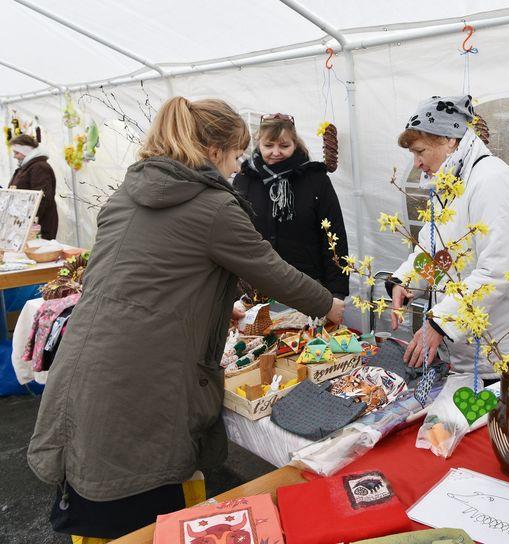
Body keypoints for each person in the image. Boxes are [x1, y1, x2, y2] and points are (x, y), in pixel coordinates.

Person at [27, 97, 345, 541]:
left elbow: (143, 279)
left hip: (87, 366)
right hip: (141, 383)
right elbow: (272, 270)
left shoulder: (127, 195)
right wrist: (331, 304)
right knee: (144, 519)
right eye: (236, 157)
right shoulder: (213, 205)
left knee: (98, 504)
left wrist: (220, 305)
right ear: (214, 152)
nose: (238, 169)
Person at [387, 95, 509, 380]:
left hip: (505, 348)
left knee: (502, 422)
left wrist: (439, 323)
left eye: (420, 151)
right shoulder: (450, 185)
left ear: (450, 139)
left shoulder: (492, 182)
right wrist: (405, 281)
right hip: (469, 346)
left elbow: (495, 272)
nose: (417, 163)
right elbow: (434, 251)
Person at [233, 114, 349, 300]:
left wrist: (337, 291)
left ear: (295, 144)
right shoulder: (245, 179)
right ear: (258, 144)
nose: (276, 152)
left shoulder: (315, 179)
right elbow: (235, 233)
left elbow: (334, 235)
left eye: (284, 146)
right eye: (268, 146)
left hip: (308, 285)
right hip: (257, 286)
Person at [9, 133, 59, 239]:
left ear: (25, 151)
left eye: (17, 153)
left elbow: (41, 197)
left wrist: (30, 221)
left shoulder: (39, 167)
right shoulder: (27, 167)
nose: (15, 156)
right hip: (26, 222)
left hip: (39, 224)